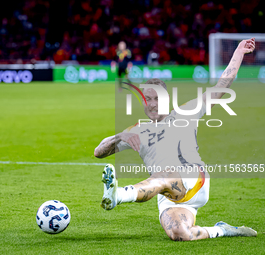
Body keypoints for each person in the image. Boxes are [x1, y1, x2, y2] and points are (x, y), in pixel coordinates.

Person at [94, 38, 257, 241]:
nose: (151, 104)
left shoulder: (186, 112)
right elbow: (98, 152)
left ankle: (117, 195)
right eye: (147, 99)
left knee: (165, 173)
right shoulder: (137, 131)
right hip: (168, 195)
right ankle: (223, 230)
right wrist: (119, 137)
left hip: (194, 180)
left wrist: (239, 52)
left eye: (156, 98)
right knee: (180, 234)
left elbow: (222, 85)